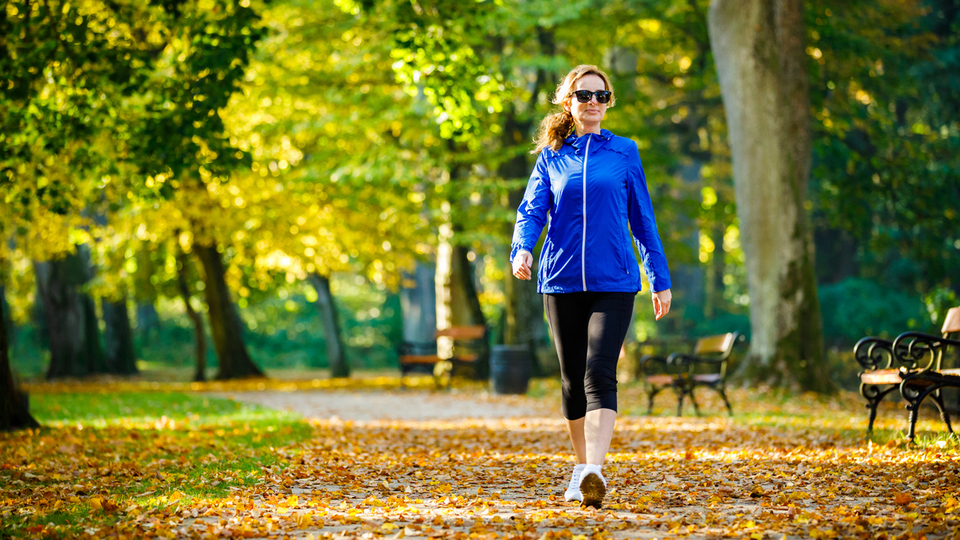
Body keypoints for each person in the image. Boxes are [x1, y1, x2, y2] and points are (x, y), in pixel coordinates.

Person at [510, 65, 673, 509]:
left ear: (608, 102)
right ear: (569, 102)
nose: (593, 103)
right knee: (571, 381)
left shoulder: (624, 152)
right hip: (560, 280)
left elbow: (642, 219)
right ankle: (581, 468)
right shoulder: (551, 155)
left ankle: (596, 470)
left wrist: (658, 278)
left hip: (615, 280)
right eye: (584, 96)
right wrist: (522, 249)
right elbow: (531, 211)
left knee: (599, 371)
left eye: (601, 96)